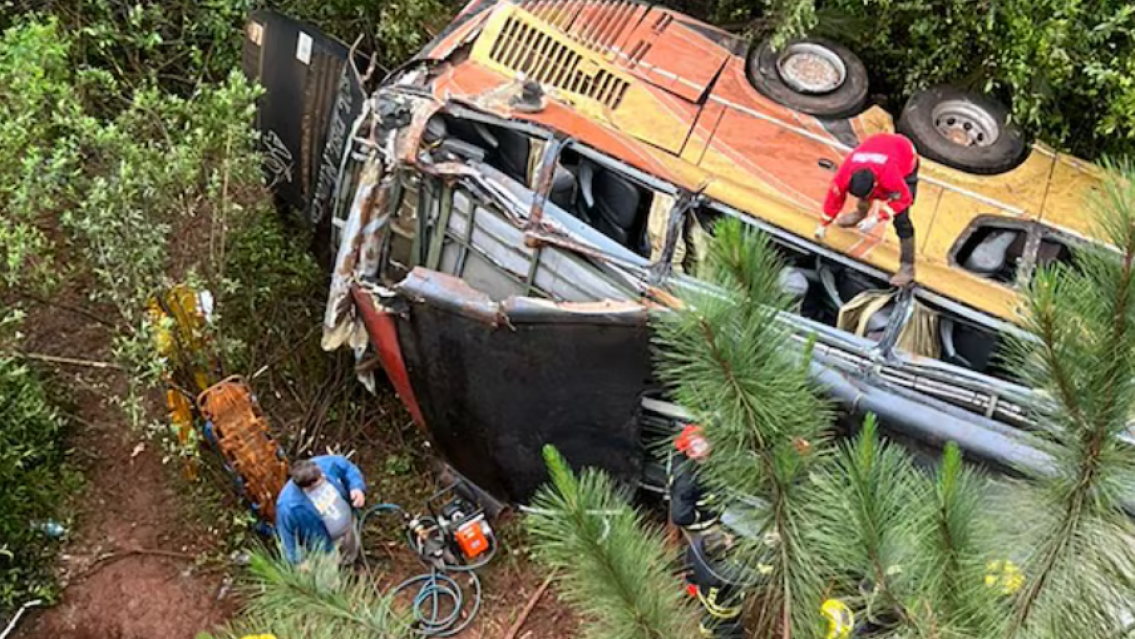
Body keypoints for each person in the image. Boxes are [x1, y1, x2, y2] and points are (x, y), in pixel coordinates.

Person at [816, 133, 921, 287]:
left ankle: (907, 267)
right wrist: (823, 224)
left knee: (902, 220)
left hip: (903, 154)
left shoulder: (890, 175)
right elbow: (834, 197)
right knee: (863, 197)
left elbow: (904, 199)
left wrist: (878, 217)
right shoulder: (845, 171)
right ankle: (860, 213)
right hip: (879, 148)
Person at [275, 455, 367, 565]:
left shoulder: (325, 464)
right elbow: (288, 539)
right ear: (309, 486)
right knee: (330, 575)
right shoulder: (288, 507)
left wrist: (356, 487)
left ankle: (350, 563)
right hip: (324, 548)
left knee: (351, 550)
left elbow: (347, 467)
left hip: (349, 527)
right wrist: (299, 562)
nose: (324, 475)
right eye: (320, 478)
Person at [685, 530, 749, 638]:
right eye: (728, 543)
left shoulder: (695, 548)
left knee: (707, 614)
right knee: (726, 626)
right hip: (722, 607)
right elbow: (752, 578)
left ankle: (706, 628)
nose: (730, 538)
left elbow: (690, 573)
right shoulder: (721, 575)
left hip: (703, 590)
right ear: (720, 554)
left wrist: (691, 588)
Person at [669, 424, 720, 534]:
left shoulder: (680, 455)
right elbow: (680, 516)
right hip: (703, 524)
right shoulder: (687, 482)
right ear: (692, 454)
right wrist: (708, 514)